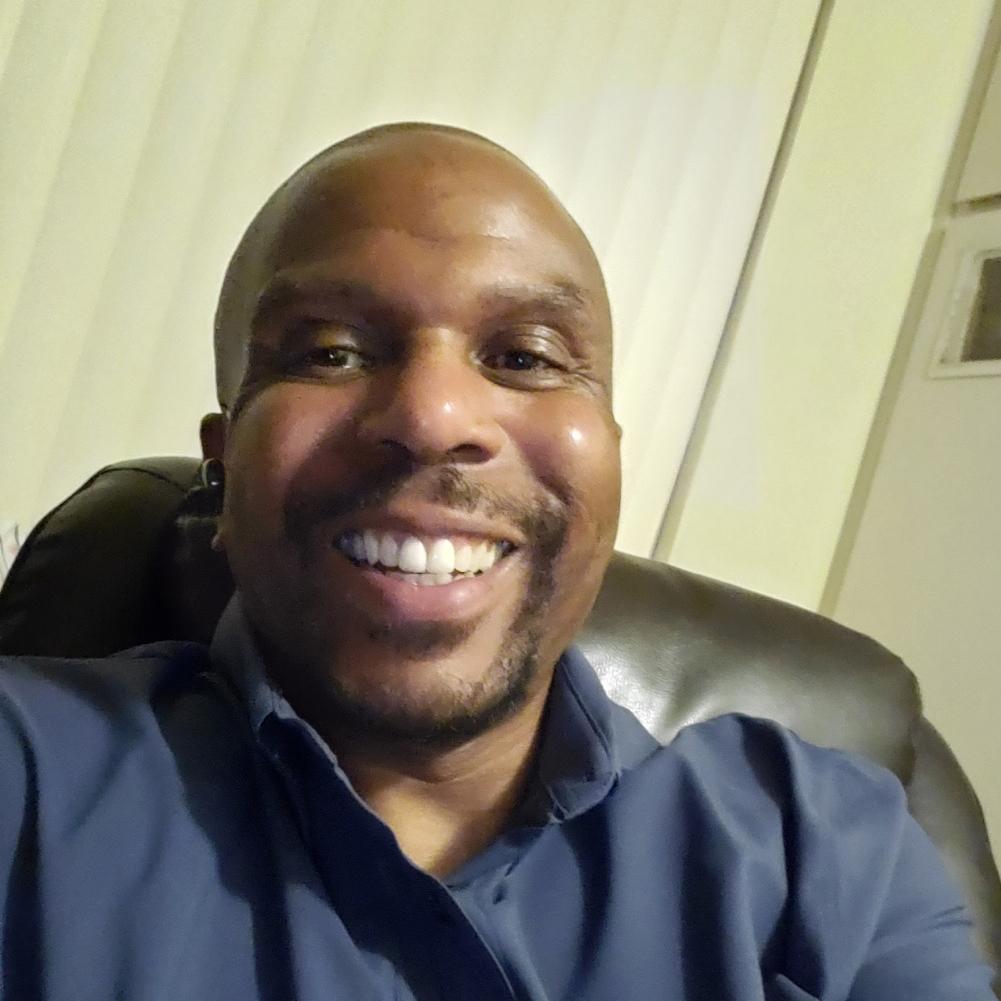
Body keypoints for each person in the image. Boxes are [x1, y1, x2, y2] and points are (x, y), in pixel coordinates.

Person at [0, 124, 994, 1000]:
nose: (433, 417)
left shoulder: (828, 850)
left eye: (523, 356)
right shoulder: (27, 776)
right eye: (331, 350)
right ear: (222, 473)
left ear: (608, 462)